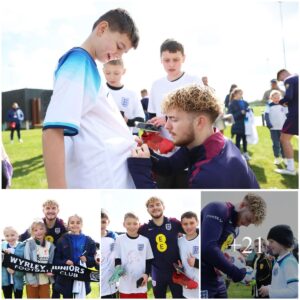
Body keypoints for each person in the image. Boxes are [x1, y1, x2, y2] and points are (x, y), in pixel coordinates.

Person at [42, 8, 139, 188]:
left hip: (109, 176)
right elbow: (52, 131)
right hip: (100, 178)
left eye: (123, 53)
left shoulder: (88, 66)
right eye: (119, 46)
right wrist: (58, 192)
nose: (118, 55)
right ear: (102, 29)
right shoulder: (78, 62)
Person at [128, 85, 259, 189]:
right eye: (167, 118)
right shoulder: (206, 140)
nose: (166, 126)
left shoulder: (208, 176)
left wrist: (141, 171)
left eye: (173, 119)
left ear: (199, 122)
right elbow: (169, 166)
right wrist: (146, 152)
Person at [147, 38, 202, 188]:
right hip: (164, 154)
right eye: (167, 60)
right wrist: (150, 135)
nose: (171, 64)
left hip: (188, 152)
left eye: (176, 59)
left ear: (184, 58)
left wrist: (168, 119)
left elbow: (200, 115)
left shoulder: (193, 81)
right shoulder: (156, 85)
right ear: (161, 60)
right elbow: (151, 117)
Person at [201, 193, 267, 298]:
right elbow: (208, 248)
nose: (246, 225)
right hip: (202, 278)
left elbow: (222, 251)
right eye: (248, 219)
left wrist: (235, 257)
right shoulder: (218, 209)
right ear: (242, 205)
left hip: (218, 280)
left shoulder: (236, 229)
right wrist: (235, 272)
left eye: (251, 223)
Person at [138, 197, 184, 298]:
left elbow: (192, 232)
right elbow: (131, 237)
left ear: (163, 207)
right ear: (148, 210)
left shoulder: (174, 223)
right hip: (157, 272)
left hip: (176, 270)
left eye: (158, 204)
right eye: (151, 206)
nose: (155, 207)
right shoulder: (144, 229)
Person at [53, 214, 97, 298]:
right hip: (66, 279)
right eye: (72, 222)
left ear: (82, 224)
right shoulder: (62, 240)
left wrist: (87, 259)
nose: (75, 225)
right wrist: (65, 262)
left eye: (78, 222)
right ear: (68, 225)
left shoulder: (89, 241)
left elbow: (93, 261)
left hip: (82, 278)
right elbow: (56, 259)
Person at [113, 212, 153, 298]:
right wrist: (118, 268)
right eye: (129, 223)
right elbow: (117, 258)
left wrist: (146, 274)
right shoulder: (119, 239)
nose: (132, 226)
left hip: (141, 284)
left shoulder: (145, 240)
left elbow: (149, 260)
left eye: (135, 223)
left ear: (139, 224)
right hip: (125, 285)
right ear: (124, 224)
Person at [103, 59, 144, 134]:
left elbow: (141, 123)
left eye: (116, 73)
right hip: (102, 139)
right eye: (108, 73)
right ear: (103, 71)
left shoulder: (131, 94)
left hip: (125, 141)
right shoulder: (98, 91)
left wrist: (127, 121)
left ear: (123, 71)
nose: (112, 77)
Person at [258, 225, 298, 298]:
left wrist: (270, 291)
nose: (269, 245)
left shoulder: (289, 262)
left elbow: (294, 291)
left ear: (282, 241)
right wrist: (268, 288)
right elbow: (280, 285)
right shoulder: (280, 260)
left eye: (271, 241)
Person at [275, 69, 298, 176]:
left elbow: (289, 96)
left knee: (284, 139)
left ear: (283, 74)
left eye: (281, 79)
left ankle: (290, 168)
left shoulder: (289, 79)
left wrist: (280, 102)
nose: (282, 81)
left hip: (295, 115)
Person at [24, 219, 55, 298]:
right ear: (32, 232)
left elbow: (51, 262)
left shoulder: (50, 245)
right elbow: (27, 262)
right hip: (32, 280)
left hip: (45, 280)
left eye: (41, 229)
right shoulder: (29, 244)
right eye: (36, 230)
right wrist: (31, 280)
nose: (39, 231)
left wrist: (51, 271)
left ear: (45, 230)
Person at [178, 211, 199, 299]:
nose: (189, 226)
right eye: (185, 224)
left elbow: (213, 261)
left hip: (201, 288)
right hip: (187, 289)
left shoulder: (203, 239)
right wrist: (179, 268)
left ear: (197, 222)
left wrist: (197, 263)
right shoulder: (179, 242)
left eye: (191, 223)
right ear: (181, 225)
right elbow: (180, 260)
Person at [264, 90, 288, 165]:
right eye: (275, 98)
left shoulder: (283, 105)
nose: (277, 99)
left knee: (283, 143)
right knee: (275, 143)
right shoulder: (269, 105)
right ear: (271, 98)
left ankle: (284, 158)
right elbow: (266, 115)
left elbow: (287, 115)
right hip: (273, 128)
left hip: (283, 128)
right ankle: (277, 158)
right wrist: (268, 123)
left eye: (278, 97)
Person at [1, 227, 25, 299]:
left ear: (17, 235)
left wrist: (15, 271)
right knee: (7, 297)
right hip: (5, 280)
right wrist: (4, 256)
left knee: (18, 297)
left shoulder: (22, 247)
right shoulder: (2, 246)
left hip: (18, 278)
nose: (10, 238)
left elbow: (24, 263)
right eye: (7, 236)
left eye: (12, 235)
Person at [228, 87, 251, 160]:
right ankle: (238, 155)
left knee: (245, 139)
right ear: (235, 94)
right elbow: (231, 116)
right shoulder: (231, 104)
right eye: (240, 93)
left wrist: (249, 110)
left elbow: (249, 109)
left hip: (246, 124)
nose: (241, 95)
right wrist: (240, 113)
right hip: (237, 125)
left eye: (242, 94)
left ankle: (245, 153)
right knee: (238, 140)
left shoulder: (245, 102)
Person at [101, 209, 118, 298]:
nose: (101, 225)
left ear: (108, 222)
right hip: (100, 279)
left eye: (103, 222)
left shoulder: (114, 237)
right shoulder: (92, 240)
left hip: (111, 281)